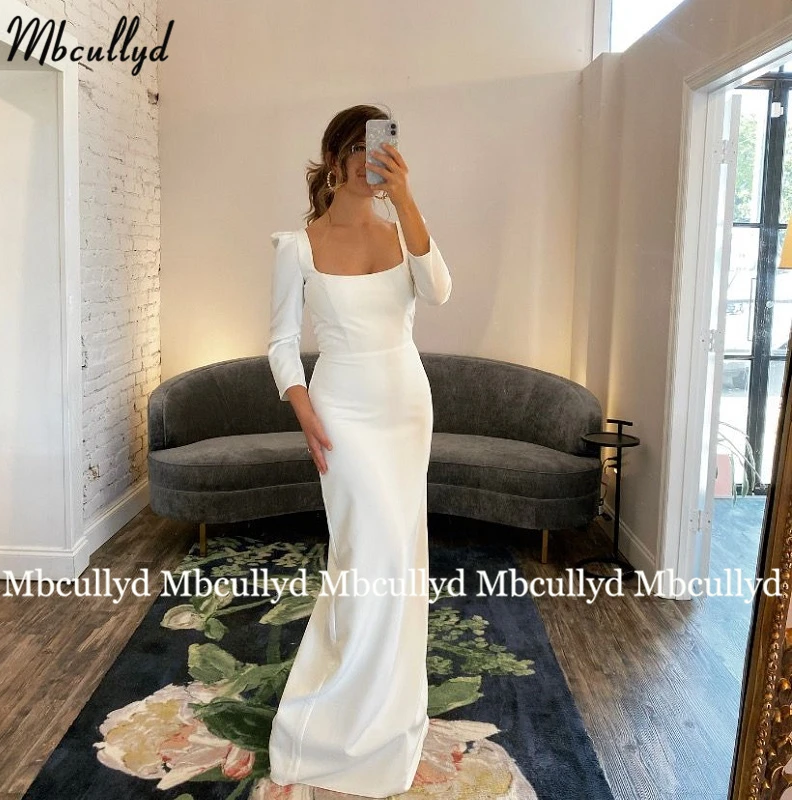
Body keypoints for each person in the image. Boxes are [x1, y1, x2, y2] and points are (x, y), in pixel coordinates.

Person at [265, 104, 452, 797]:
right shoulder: (297, 246)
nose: (371, 162)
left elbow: (439, 290)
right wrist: (303, 408)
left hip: (406, 407)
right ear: (335, 158)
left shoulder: (403, 232)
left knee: (399, 557)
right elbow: (282, 341)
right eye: (360, 150)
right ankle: (334, 713)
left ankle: (388, 706)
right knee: (362, 552)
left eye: (383, 148)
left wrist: (407, 200)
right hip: (341, 412)